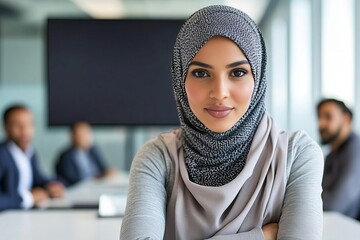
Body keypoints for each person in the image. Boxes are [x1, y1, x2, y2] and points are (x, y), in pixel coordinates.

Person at [120, 5, 323, 240]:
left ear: (258, 78)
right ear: (179, 78)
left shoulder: (295, 155)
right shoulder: (158, 157)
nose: (219, 93)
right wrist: (260, 237)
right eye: (200, 73)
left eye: (237, 73)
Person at [0, 104, 64, 211]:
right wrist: (28, 198)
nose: (25, 131)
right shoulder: (2, 155)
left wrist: (51, 186)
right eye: (18, 126)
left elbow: (38, 178)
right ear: (6, 128)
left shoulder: (29, 151)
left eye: (29, 125)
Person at [317, 98, 360, 219]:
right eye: (319, 117)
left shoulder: (356, 149)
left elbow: (335, 205)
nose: (321, 124)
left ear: (346, 119)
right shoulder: (331, 155)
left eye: (328, 117)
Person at [55, 121, 115, 187]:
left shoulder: (93, 151)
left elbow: (103, 168)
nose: (86, 137)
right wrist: (95, 178)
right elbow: (70, 180)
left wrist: (106, 173)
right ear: (73, 136)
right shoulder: (66, 157)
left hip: (97, 186)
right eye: (82, 134)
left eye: (87, 134)